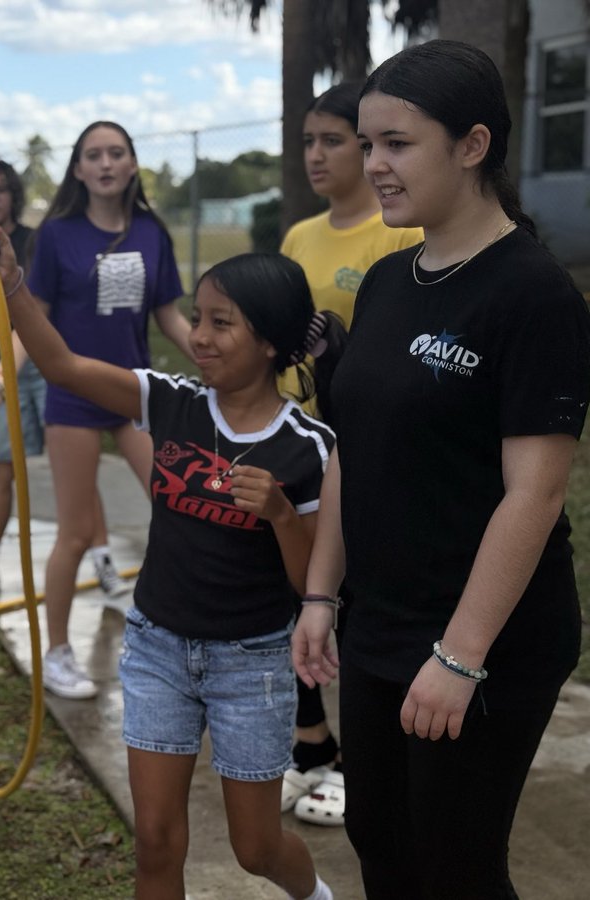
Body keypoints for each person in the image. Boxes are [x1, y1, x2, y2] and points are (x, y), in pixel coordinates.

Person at [293, 40, 590, 899]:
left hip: (485, 637)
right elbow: (355, 444)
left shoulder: (533, 296)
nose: (373, 164)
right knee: (379, 838)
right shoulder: (389, 281)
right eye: (368, 143)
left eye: (397, 143)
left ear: (473, 146)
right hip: (380, 621)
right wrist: (320, 594)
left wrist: (460, 659)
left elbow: (534, 496)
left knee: (454, 863)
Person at [0, 224, 340, 898]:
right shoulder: (170, 402)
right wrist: (13, 282)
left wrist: (282, 516)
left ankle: (313, 895)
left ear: (268, 342)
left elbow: (311, 583)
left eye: (220, 323)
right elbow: (61, 366)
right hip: (158, 649)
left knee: (255, 848)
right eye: (197, 317)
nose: (198, 335)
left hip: (251, 663)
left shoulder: (309, 448)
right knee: (155, 842)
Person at [0, 121, 192, 701]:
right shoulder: (57, 236)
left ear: (133, 164)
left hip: (134, 395)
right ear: (78, 169)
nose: (106, 163)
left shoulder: (151, 232)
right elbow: (28, 317)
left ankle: (179, 636)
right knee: (78, 531)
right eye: (93, 155)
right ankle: (56, 651)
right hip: (72, 398)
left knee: (180, 506)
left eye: (116, 153)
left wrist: (235, 368)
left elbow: (170, 317)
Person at [277, 82, 424, 826]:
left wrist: (343, 357)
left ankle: (364, 766)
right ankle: (312, 744)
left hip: (362, 448)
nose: (319, 155)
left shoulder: (397, 232)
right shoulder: (301, 236)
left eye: (336, 140)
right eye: (312, 141)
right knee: (291, 595)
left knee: (355, 605)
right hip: (298, 444)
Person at [0, 158, 126, 597]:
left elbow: (45, 312)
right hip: (3, 361)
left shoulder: (35, 243)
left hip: (51, 360)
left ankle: (103, 558)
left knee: (72, 468)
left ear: (13, 195)